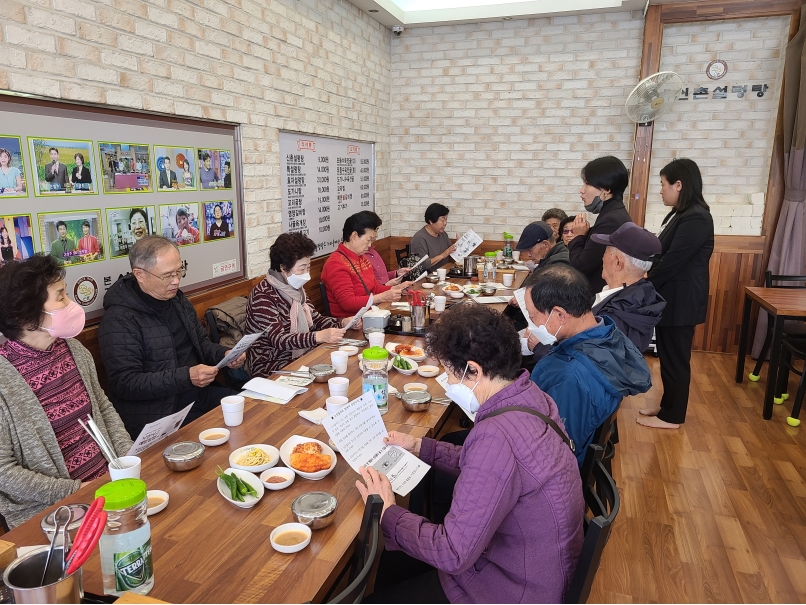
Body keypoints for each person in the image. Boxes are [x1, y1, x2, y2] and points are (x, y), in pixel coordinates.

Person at [356, 303, 583, 603]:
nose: (449, 383)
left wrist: (388, 513)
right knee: (395, 561)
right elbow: (490, 468)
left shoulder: (497, 435)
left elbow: (452, 553)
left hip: (513, 588)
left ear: (474, 370)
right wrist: (421, 446)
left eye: (450, 373)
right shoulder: (529, 395)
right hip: (539, 567)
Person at [0, 255, 133, 529]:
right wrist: (77, 490)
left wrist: (127, 461)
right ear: (28, 314)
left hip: (108, 489)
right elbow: (4, 472)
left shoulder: (73, 349)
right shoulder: (4, 379)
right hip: (52, 516)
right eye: (60, 296)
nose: (70, 303)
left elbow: (103, 408)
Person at [98, 236, 245, 438]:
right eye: (167, 275)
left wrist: (226, 355)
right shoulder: (119, 319)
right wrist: (187, 376)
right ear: (140, 274)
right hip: (162, 411)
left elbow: (201, 343)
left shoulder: (177, 300)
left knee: (250, 411)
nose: (176, 281)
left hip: (199, 394)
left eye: (178, 271)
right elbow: (126, 383)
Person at [526, 264, 651, 465]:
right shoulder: (608, 333)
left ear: (559, 315)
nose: (531, 325)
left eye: (532, 317)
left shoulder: (571, 378)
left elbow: (551, 453)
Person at [640, 158, 714, 430]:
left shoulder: (696, 217)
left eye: (663, 184)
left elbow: (672, 261)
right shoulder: (682, 214)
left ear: (679, 185)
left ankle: (673, 417)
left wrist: (642, 281)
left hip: (682, 301)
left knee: (676, 359)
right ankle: (667, 406)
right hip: (672, 298)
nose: (660, 190)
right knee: (669, 355)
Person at [246, 232, 362, 377]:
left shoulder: (295, 288)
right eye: (302, 269)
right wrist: (318, 337)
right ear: (283, 268)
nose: (307, 274)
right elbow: (279, 340)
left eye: (308, 267)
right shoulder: (262, 295)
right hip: (272, 364)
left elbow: (316, 320)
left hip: (302, 355)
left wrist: (342, 322)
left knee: (346, 368)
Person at [589, 222, 666, 352]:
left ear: (618, 263)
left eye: (606, 252)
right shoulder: (644, 298)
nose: (602, 258)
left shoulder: (608, 319)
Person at [321, 212, 412, 318]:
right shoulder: (336, 263)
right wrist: (382, 297)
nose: (370, 245)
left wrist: (397, 288)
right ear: (354, 236)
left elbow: (374, 288)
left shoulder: (362, 257)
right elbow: (348, 303)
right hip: (352, 322)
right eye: (368, 240)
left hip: (370, 313)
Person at [567, 156, 632, 292]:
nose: (582, 190)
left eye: (587, 184)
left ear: (607, 189)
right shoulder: (613, 213)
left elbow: (582, 266)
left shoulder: (611, 220)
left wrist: (578, 236)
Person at [361, 213, 411, 285]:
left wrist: (397, 273)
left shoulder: (373, 251)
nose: (376, 235)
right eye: (375, 230)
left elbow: (382, 277)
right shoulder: (360, 257)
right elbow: (368, 290)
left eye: (377, 230)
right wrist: (387, 285)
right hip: (381, 294)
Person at [517, 221, 569, 288]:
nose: (528, 255)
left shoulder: (559, 265)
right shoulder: (552, 258)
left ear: (546, 245)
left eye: (530, 250)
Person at [409, 203, 457, 271]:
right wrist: (443, 255)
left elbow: (451, 251)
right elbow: (422, 265)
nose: (445, 223)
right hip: (427, 278)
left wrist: (459, 245)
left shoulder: (443, 234)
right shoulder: (420, 239)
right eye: (442, 220)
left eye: (446, 219)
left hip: (445, 273)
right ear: (431, 221)